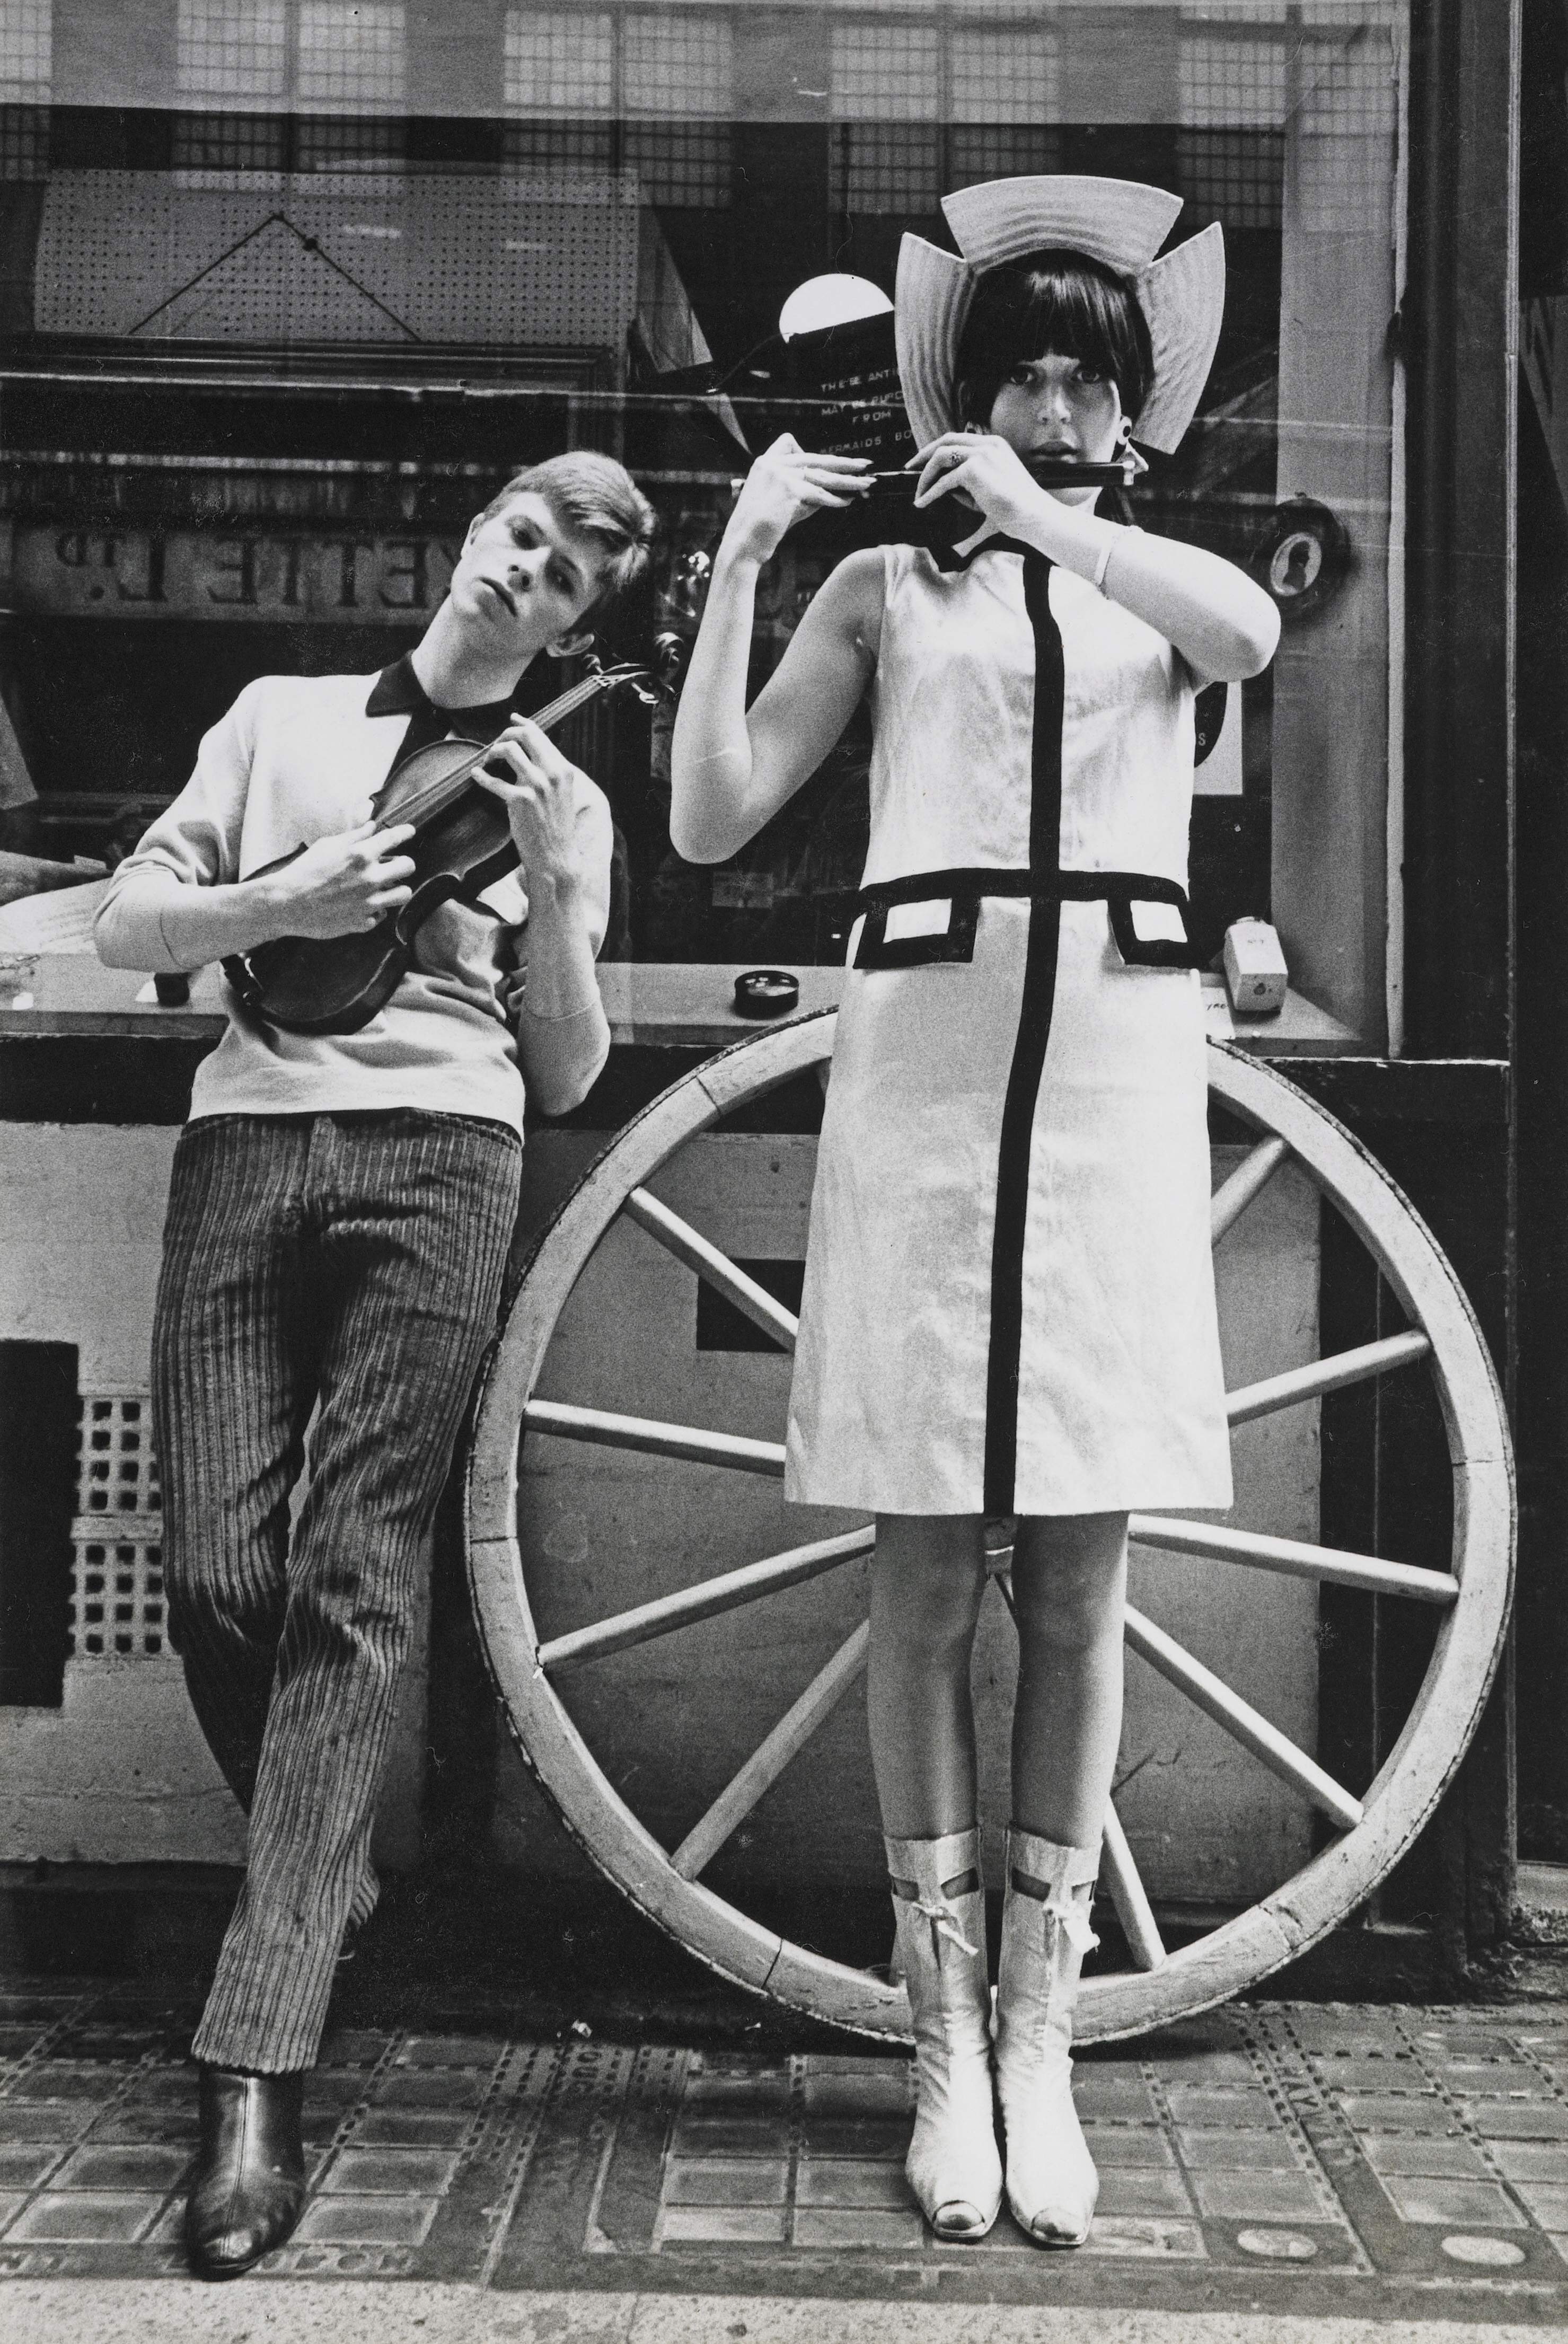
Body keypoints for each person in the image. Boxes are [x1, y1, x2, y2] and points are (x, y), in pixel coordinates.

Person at [671, 178, 1279, 2249]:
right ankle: (940, 2043)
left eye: (1084, 376)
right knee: (921, 1566)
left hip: (1109, 1086)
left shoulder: (1153, 588)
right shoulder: (877, 594)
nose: (1049, 398)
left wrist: (1040, 516)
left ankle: (1044, 2035)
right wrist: (755, 550)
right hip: (923, 1084)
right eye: (1017, 368)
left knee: (1086, 1571)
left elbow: (1245, 632)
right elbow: (713, 812)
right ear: (962, 390)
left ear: (1132, 416)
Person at [94, 452, 655, 2280]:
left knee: (353, 1582)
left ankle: (254, 2066)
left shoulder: (556, 790)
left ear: (581, 623)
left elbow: (566, 1073)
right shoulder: (283, 721)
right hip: (248, 1142)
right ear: (471, 531)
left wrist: (567, 902)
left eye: (570, 578)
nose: (531, 575)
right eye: (524, 536)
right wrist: (290, 901)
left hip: (447, 1154)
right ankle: (320, 1879)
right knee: (214, 1569)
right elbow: (127, 925)